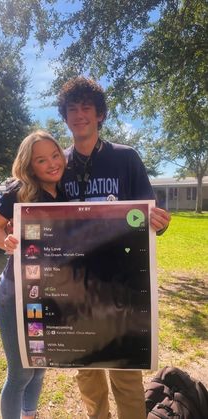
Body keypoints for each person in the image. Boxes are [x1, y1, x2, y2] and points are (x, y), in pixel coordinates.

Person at [57, 76, 171, 419]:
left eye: (86, 108)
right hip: (74, 284)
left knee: (125, 368)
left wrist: (159, 223)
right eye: (72, 109)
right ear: (65, 116)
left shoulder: (126, 158)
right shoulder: (56, 164)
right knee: (87, 369)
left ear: (100, 115)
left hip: (121, 282)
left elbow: (147, 215)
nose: (79, 115)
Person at [0, 130, 66, 419]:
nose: (52, 163)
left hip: (49, 293)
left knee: (40, 365)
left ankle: (29, 415)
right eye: (42, 160)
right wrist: (4, 242)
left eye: (55, 155)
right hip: (15, 294)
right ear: (31, 166)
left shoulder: (67, 190)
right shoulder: (19, 191)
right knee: (20, 373)